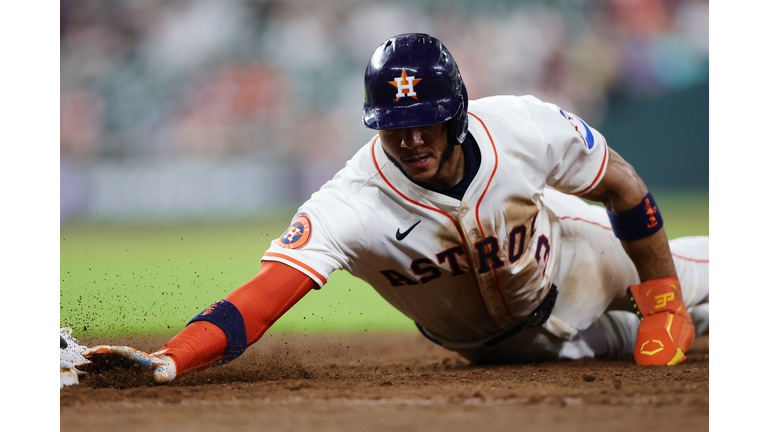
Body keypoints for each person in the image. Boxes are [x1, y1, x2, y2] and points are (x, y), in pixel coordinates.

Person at [78, 33, 708, 384]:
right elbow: (259, 299)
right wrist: (171, 359)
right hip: (501, 349)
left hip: (579, 260)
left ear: (456, 112)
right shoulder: (352, 203)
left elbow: (622, 186)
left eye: (426, 121)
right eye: (393, 125)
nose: (410, 139)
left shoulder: (522, 127)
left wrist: (663, 300)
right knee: (685, 334)